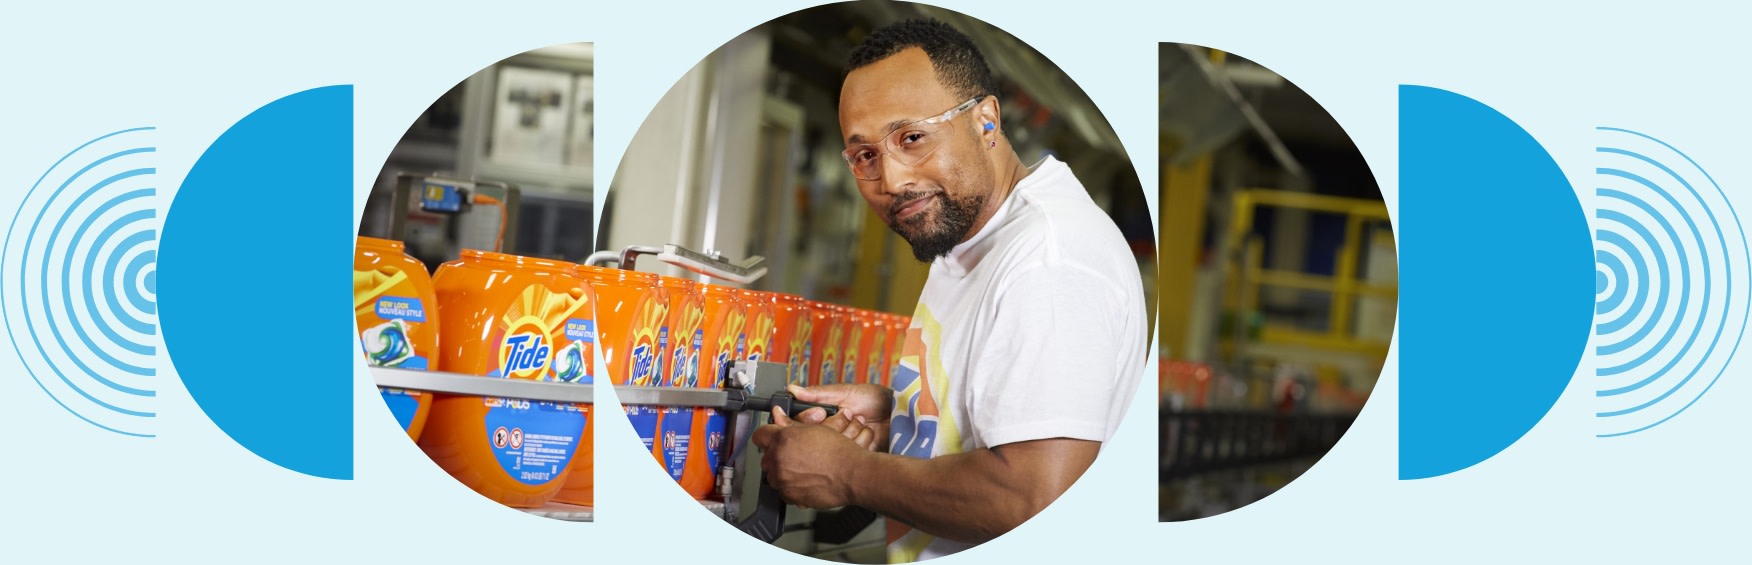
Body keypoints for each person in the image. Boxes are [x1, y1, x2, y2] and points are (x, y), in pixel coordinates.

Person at [752, 19, 1146, 562]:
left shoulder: (1048, 257)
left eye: (911, 138)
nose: (890, 179)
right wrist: (907, 415)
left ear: (986, 120)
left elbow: (1034, 498)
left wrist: (848, 472)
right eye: (864, 155)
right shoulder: (973, 238)